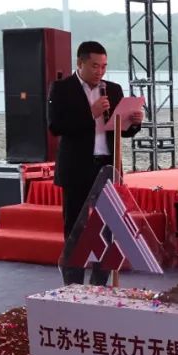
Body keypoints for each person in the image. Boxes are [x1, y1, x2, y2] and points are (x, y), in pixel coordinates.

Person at [48, 41, 143, 286]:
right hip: (77, 168)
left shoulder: (113, 89)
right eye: (94, 66)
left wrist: (134, 122)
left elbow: (121, 131)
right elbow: (56, 126)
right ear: (79, 63)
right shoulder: (62, 89)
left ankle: (100, 284)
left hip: (107, 167)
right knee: (76, 228)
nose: (100, 71)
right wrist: (90, 113)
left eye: (104, 66)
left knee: (109, 227)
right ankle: (73, 284)